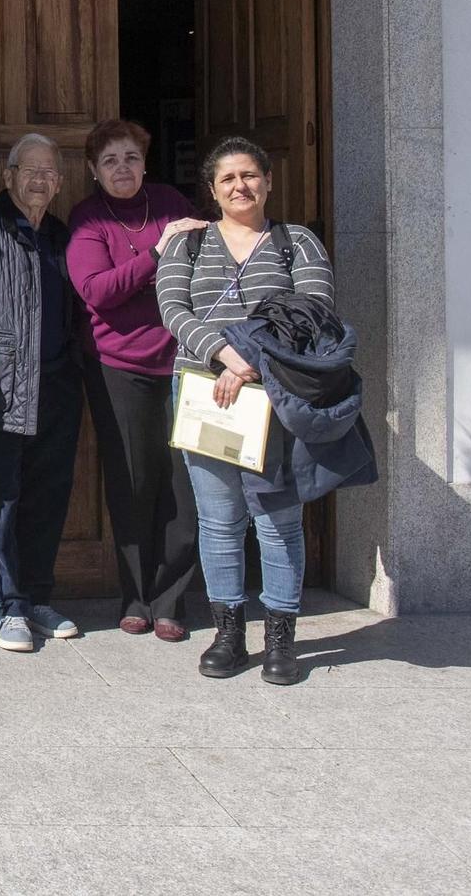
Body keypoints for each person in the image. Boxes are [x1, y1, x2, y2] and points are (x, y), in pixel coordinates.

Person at [158, 136, 334, 685]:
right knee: (217, 519)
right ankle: (228, 632)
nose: (241, 186)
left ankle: (281, 637)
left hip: (273, 395)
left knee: (278, 518)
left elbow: (314, 313)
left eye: (250, 175)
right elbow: (171, 308)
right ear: (212, 190)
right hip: (203, 395)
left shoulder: (296, 242)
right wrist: (221, 354)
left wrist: (247, 362)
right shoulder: (186, 245)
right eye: (228, 179)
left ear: (268, 181)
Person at [67, 121, 209, 641]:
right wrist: (155, 256)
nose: (121, 168)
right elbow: (96, 291)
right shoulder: (88, 219)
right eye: (109, 161)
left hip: (182, 364)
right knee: (131, 483)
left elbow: (206, 269)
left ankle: (172, 601)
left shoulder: (171, 203)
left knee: (180, 482)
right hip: (117, 367)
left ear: (145, 163)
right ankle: (135, 597)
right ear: (93, 171)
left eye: (130, 158)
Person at [0, 134, 86, 653]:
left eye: (49, 172)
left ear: (58, 182)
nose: (39, 180)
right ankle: (8, 607)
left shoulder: (59, 234)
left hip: (56, 386)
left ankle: (38, 597)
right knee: (1, 500)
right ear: (7, 176)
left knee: (48, 497)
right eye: (29, 170)